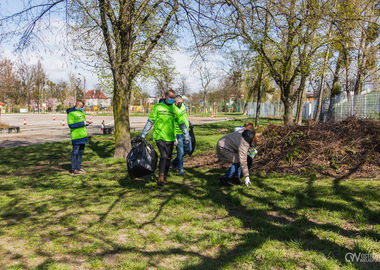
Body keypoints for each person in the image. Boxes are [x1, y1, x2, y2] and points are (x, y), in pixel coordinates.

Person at [140, 90, 190, 186]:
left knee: (168, 158)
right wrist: (143, 135)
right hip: (159, 136)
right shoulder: (157, 107)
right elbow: (150, 122)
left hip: (170, 137)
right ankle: (161, 177)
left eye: (173, 98)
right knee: (163, 156)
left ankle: (165, 176)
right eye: (171, 97)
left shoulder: (174, 109)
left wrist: (186, 136)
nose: (172, 99)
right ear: (166, 96)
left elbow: (181, 123)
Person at [67, 100, 92, 175]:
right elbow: (71, 125)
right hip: (76, 136)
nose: (82, 108)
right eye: (81, 107)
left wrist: (86, 123)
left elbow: (82, 123)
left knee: (81, 152)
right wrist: (82, 123)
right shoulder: (71, 114)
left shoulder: (81, 113)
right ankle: (73, 169)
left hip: (83, 135)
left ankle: (79, 166)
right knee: (75, 152)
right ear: (77, 106)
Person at [172, 95, 192, 176]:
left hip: (186, 132)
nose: (181, 103)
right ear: (175, 102)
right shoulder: (173, 109)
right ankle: (181, 169)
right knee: (180, 152)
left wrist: (189, 123)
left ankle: (174, 162)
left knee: (189, 149)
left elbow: (185, 117)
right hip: (178, 133)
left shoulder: (183, 106)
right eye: (179, 102)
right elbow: (172, 124)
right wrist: (174, 138)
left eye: (181, 102)